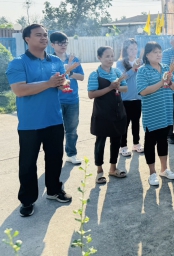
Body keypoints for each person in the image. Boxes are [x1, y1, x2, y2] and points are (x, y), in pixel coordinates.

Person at [6, 24, 72, 217]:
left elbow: (62, 81)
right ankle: (27, 200)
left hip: (54, 119)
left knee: (54, 158)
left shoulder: (55, 61)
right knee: (28, 163)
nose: (44, 38)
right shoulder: (18, 63)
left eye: (45, 35)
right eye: (38, 35)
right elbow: (19, 90)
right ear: (27, 38)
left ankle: (53, 190)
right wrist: (49, 83)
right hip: (30, 123)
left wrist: (62, 84)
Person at [137, 42, 174, 186]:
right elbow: (143, 91)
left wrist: (169, 81)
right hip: (152, 114)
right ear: (147, 55)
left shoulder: (166, 68)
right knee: (150, 142)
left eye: (160, 51)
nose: (158, 54)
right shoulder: (143, 71)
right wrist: (161, 82)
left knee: (163, 141)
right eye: (155, 52)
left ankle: (164, 169)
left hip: (166, 111)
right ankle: (152, 172)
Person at [88, 46, 128, 184]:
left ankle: (113, 168)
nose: (110, 59)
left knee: (116, 141)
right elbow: (91, 94)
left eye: (112, 56)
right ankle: (99, 171)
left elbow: (125, 88)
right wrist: (110, 88)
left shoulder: (117, 72)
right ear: (99, 58)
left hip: (117, 112)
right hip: (102, 113)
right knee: (100, 142)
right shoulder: (95, 75)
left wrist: (118, 86)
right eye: (107, 56)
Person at [50, 31, 84, 165]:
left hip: (72, 100)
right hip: (55, 100)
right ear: (52, 44)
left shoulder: (74, 59)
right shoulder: (49, 59)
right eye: (59, 43)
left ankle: (71, 154)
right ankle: (55, 156)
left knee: (72, 129)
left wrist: (70, 72)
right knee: (55, 130)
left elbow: (81, 77)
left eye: (65, 42)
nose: (63, 45)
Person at [116, 38, 144, 156]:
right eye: (131, 49)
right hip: (125, 99)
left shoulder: (141, 62)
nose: (134, 51)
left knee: (136, 122)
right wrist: (134, 68)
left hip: (138, 98)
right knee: (125, 123)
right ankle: (123, 146)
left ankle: (136, 144)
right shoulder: (120, 63)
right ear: (125, 50)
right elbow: (123, 77)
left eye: (135, 48)